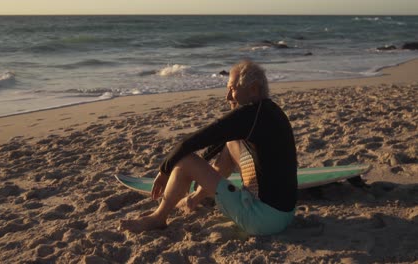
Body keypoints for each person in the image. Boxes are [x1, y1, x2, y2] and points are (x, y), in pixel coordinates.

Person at [119, 60, 297, 235]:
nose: (227, 97)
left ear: (253, 89)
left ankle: (158, 217)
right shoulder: (269, 110)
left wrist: (165, 170)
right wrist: (200, 169)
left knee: (186, 160)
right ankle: (194, 199)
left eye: (232, 89)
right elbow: (219, 141)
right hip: (285, 215)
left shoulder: (249, 115)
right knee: (230, 144)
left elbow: (189, 143)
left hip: (263, 219)